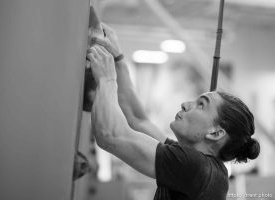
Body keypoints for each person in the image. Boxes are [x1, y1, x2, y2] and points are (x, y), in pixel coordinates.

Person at [86, 23, 260, 200]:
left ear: (215, 133)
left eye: (201, 105)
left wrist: (107, 79)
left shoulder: (198, 169)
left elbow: (110, 135)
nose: (185, 104)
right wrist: (118, 59)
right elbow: (138, 120)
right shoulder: (196, 161)